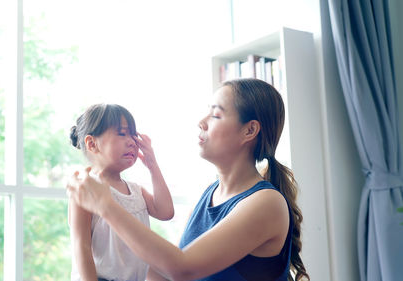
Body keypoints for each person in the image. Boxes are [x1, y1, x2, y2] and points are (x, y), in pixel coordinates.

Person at [67, 79, 310, 281]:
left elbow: (182, 269)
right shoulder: (211, 194)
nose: (201, 122)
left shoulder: (266, 203)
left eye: (215, 115)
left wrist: (105, 206)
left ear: (249, 131)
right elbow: (162, 271)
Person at [68, 103, 175, 281]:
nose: (132, 141)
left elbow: (165, 212)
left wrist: (152, 165)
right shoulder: (86, 189)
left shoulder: (135, 190)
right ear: (92, 144)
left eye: (133, 135)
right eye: (122, 133)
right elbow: (81, 247)